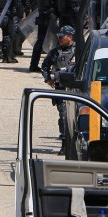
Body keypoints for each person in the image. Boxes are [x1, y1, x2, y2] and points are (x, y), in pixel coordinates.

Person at [41, 26, 78, 154]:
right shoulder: (55, 52)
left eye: (62, 37)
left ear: (70, 37)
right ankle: (64, 143)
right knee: (63, 115)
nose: (60, 39)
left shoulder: (79, 51)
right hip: (61, 88)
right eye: (59, 37)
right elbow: (45, 66)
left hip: (76, 88)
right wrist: (48, 79)